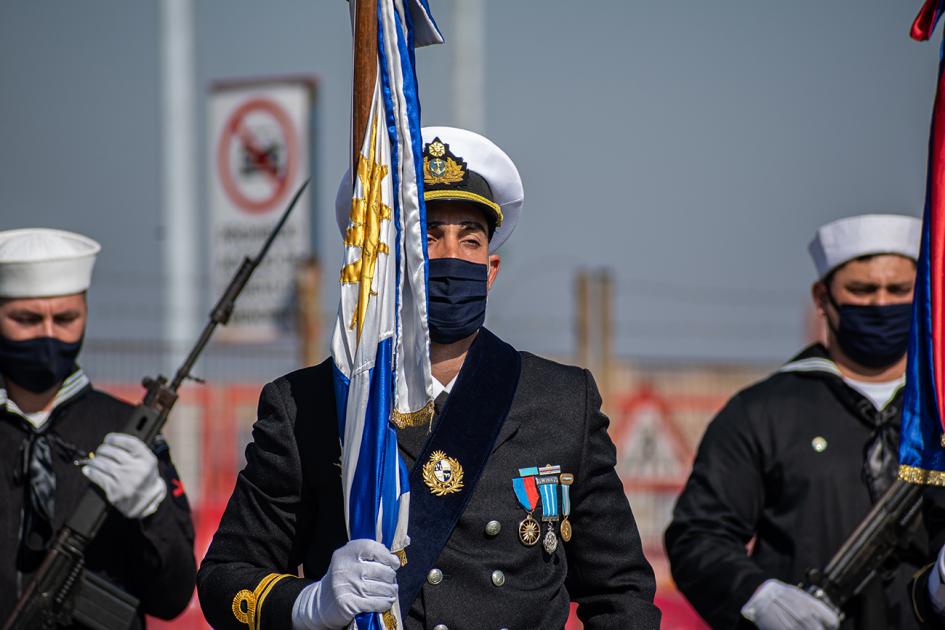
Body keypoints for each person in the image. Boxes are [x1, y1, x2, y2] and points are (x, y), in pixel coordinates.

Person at [196, 127, 661, 629]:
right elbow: (226, 577)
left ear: (491, 268)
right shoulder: (309, 404)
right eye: (427, 236)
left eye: (469, 240)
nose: (449, 257)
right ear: (390, 260)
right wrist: (311, 604)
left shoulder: (561, 402)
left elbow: (621, 591)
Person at [665, 214, 945, 629]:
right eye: (862, 290)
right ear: (822, 297)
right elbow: (698, 537)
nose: (881, 303)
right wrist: (758, 596)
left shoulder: (938, 412)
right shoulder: (762, 411)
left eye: (898, 290)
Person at [0, 228, 196, 628]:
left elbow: (174, 596)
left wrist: (151, 512)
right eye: (27, 319)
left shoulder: (127, 432)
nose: (49, 335)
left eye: (66, 318)